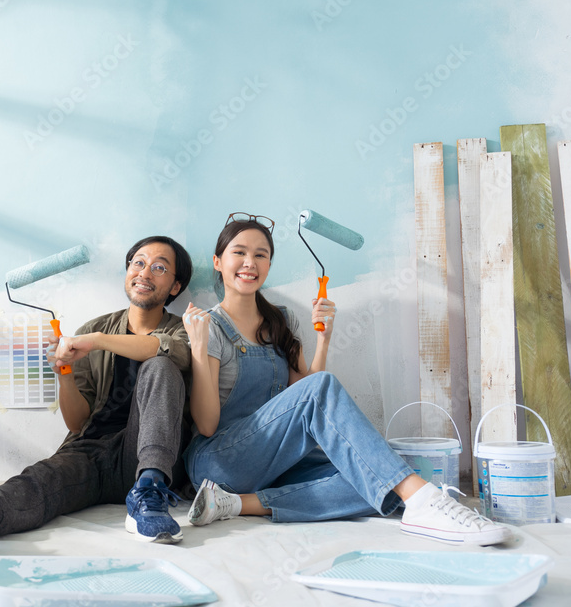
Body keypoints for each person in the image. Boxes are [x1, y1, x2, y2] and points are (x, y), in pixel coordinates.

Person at [181, 213, 510, 546]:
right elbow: (207, 425)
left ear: (268, 264)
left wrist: (324, 339)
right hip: (220, 463)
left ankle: (235, 504)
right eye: (239, 252)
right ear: (218, 262)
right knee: (382, 472)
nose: (249, 262)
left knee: (371, 479)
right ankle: (425, 501)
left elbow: (303, 397)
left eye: (260, 254)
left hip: (273, 462)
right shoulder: (209, 326)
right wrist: (197, 346)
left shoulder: (280, 320)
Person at [0, 236, 194, 556]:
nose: (144, 272)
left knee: (160, 366)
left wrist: (97, 341)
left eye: (158, 267)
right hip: (93, 452)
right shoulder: (96, 326)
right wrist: (64, 373)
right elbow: (77, 421)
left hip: (144, 458)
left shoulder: (182, 331)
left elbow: (163, 349)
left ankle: (149, 494)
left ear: (175, 286)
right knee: (42, 479)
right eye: (138, 263)